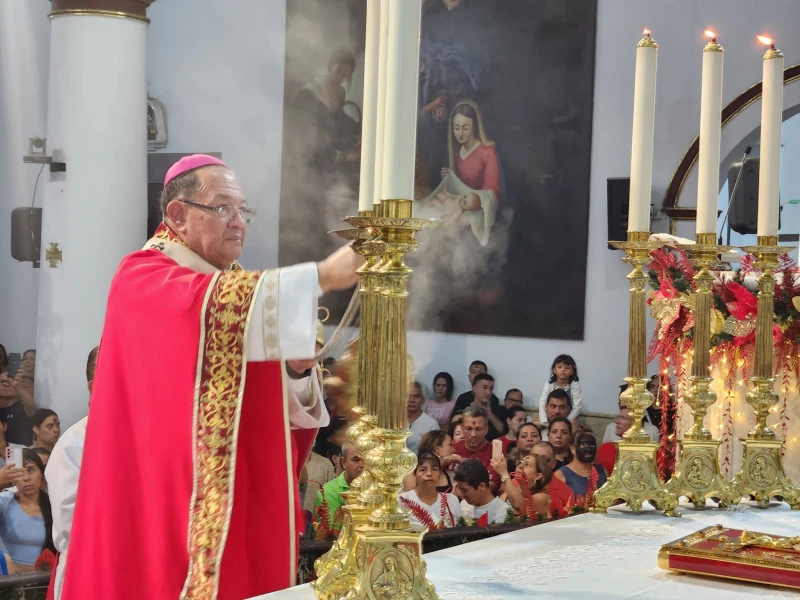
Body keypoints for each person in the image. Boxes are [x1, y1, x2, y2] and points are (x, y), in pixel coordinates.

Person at [55, 155, 362, 600]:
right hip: (165, 509)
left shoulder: (234, 288)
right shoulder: (142, 275)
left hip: (235, 509)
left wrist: (296, 372)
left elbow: (269, 414)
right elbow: (197, 307)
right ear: (178, 214)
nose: (239, 222)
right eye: (223, 209)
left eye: (244, 211)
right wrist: (323, 275)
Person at [46, 346, 97, 600]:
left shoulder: (143, 438)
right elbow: (71, 525)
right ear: (93, 387)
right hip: (89, 571)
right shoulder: (74, 443)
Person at [0, 449, 54, 572]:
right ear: (11, 477)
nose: (25, 478)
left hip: (46, 581)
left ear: (41, 472)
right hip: (11, 584)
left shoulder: (53, 505)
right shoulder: (5, 501)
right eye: (19, 473)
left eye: (31, 470)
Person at [399, 454, 461, 528]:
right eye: (423, 470)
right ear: (414, 474)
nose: (429, 474)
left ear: (440, 474)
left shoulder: (452, 500)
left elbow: (461, 532)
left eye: (434, 469)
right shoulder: (401, 500)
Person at [313, 444, 364, 527]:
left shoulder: (379, 488)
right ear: (343, 462)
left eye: (366, 460)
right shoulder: (329, 492)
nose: (362, 465)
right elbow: (333, 534)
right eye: (356, 460)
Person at [452, 406, 500, 491]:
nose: (473, 434)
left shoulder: (495, 454)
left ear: (486, 429)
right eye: (468, 429)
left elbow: (488, 488)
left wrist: (463, 463)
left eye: (478, 429)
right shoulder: (453, 449)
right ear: (462, 429)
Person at [555, 432, 608, 506]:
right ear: (572, 449)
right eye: (583, 445)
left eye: (592, 445)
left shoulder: (602, 470)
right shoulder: (560, 475)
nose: (588, 449)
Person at [492, 453, 551, 519]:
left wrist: (504, 473)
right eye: (520, 462)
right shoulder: (505, 495)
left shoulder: (541, 497)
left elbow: (519, 505)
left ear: (537, 476)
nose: (520, 466)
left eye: (527, 464)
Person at [454, 459, 508, 524]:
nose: (461, 494)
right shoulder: (463, 505)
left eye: (465, 490)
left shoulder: (503, 513)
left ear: (482, 486)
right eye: (459, 489)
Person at [454, 373, 506, 440]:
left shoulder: (498, 409)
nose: (488, 392)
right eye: (484, 388)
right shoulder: (464, 407)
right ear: (474, 388)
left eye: (491, 388)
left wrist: (490, 414)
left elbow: (503, 431)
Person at [538, 354, 582, 427]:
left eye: (567, 368)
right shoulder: (549, 383)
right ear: (554, 370)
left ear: (572, 372)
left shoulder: (575, 385)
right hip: (550, 415)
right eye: (559, 367)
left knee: (575, 423)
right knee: (537, 423)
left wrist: (567, 421)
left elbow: (577, 407)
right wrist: (544, 421)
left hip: (568, 416)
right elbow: (542, 402)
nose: (563, 370)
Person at [531, 441, 575, 514]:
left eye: (544, 459)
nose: (539, 464)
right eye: (534, 459)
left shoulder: (566, 492)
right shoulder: (516, 482)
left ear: (554, 463)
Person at [0, 372, 34, 446]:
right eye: (3, 382)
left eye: (10, 382)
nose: (7, 385)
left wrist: (17, 386)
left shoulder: (23, 407)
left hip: (22, 454)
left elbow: (32, 407)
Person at [407, 382, 439, 454]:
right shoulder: (395, 422)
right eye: (408, 396)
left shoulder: (431, 425)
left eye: (416, 396)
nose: (411, 400)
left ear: (422, 400)